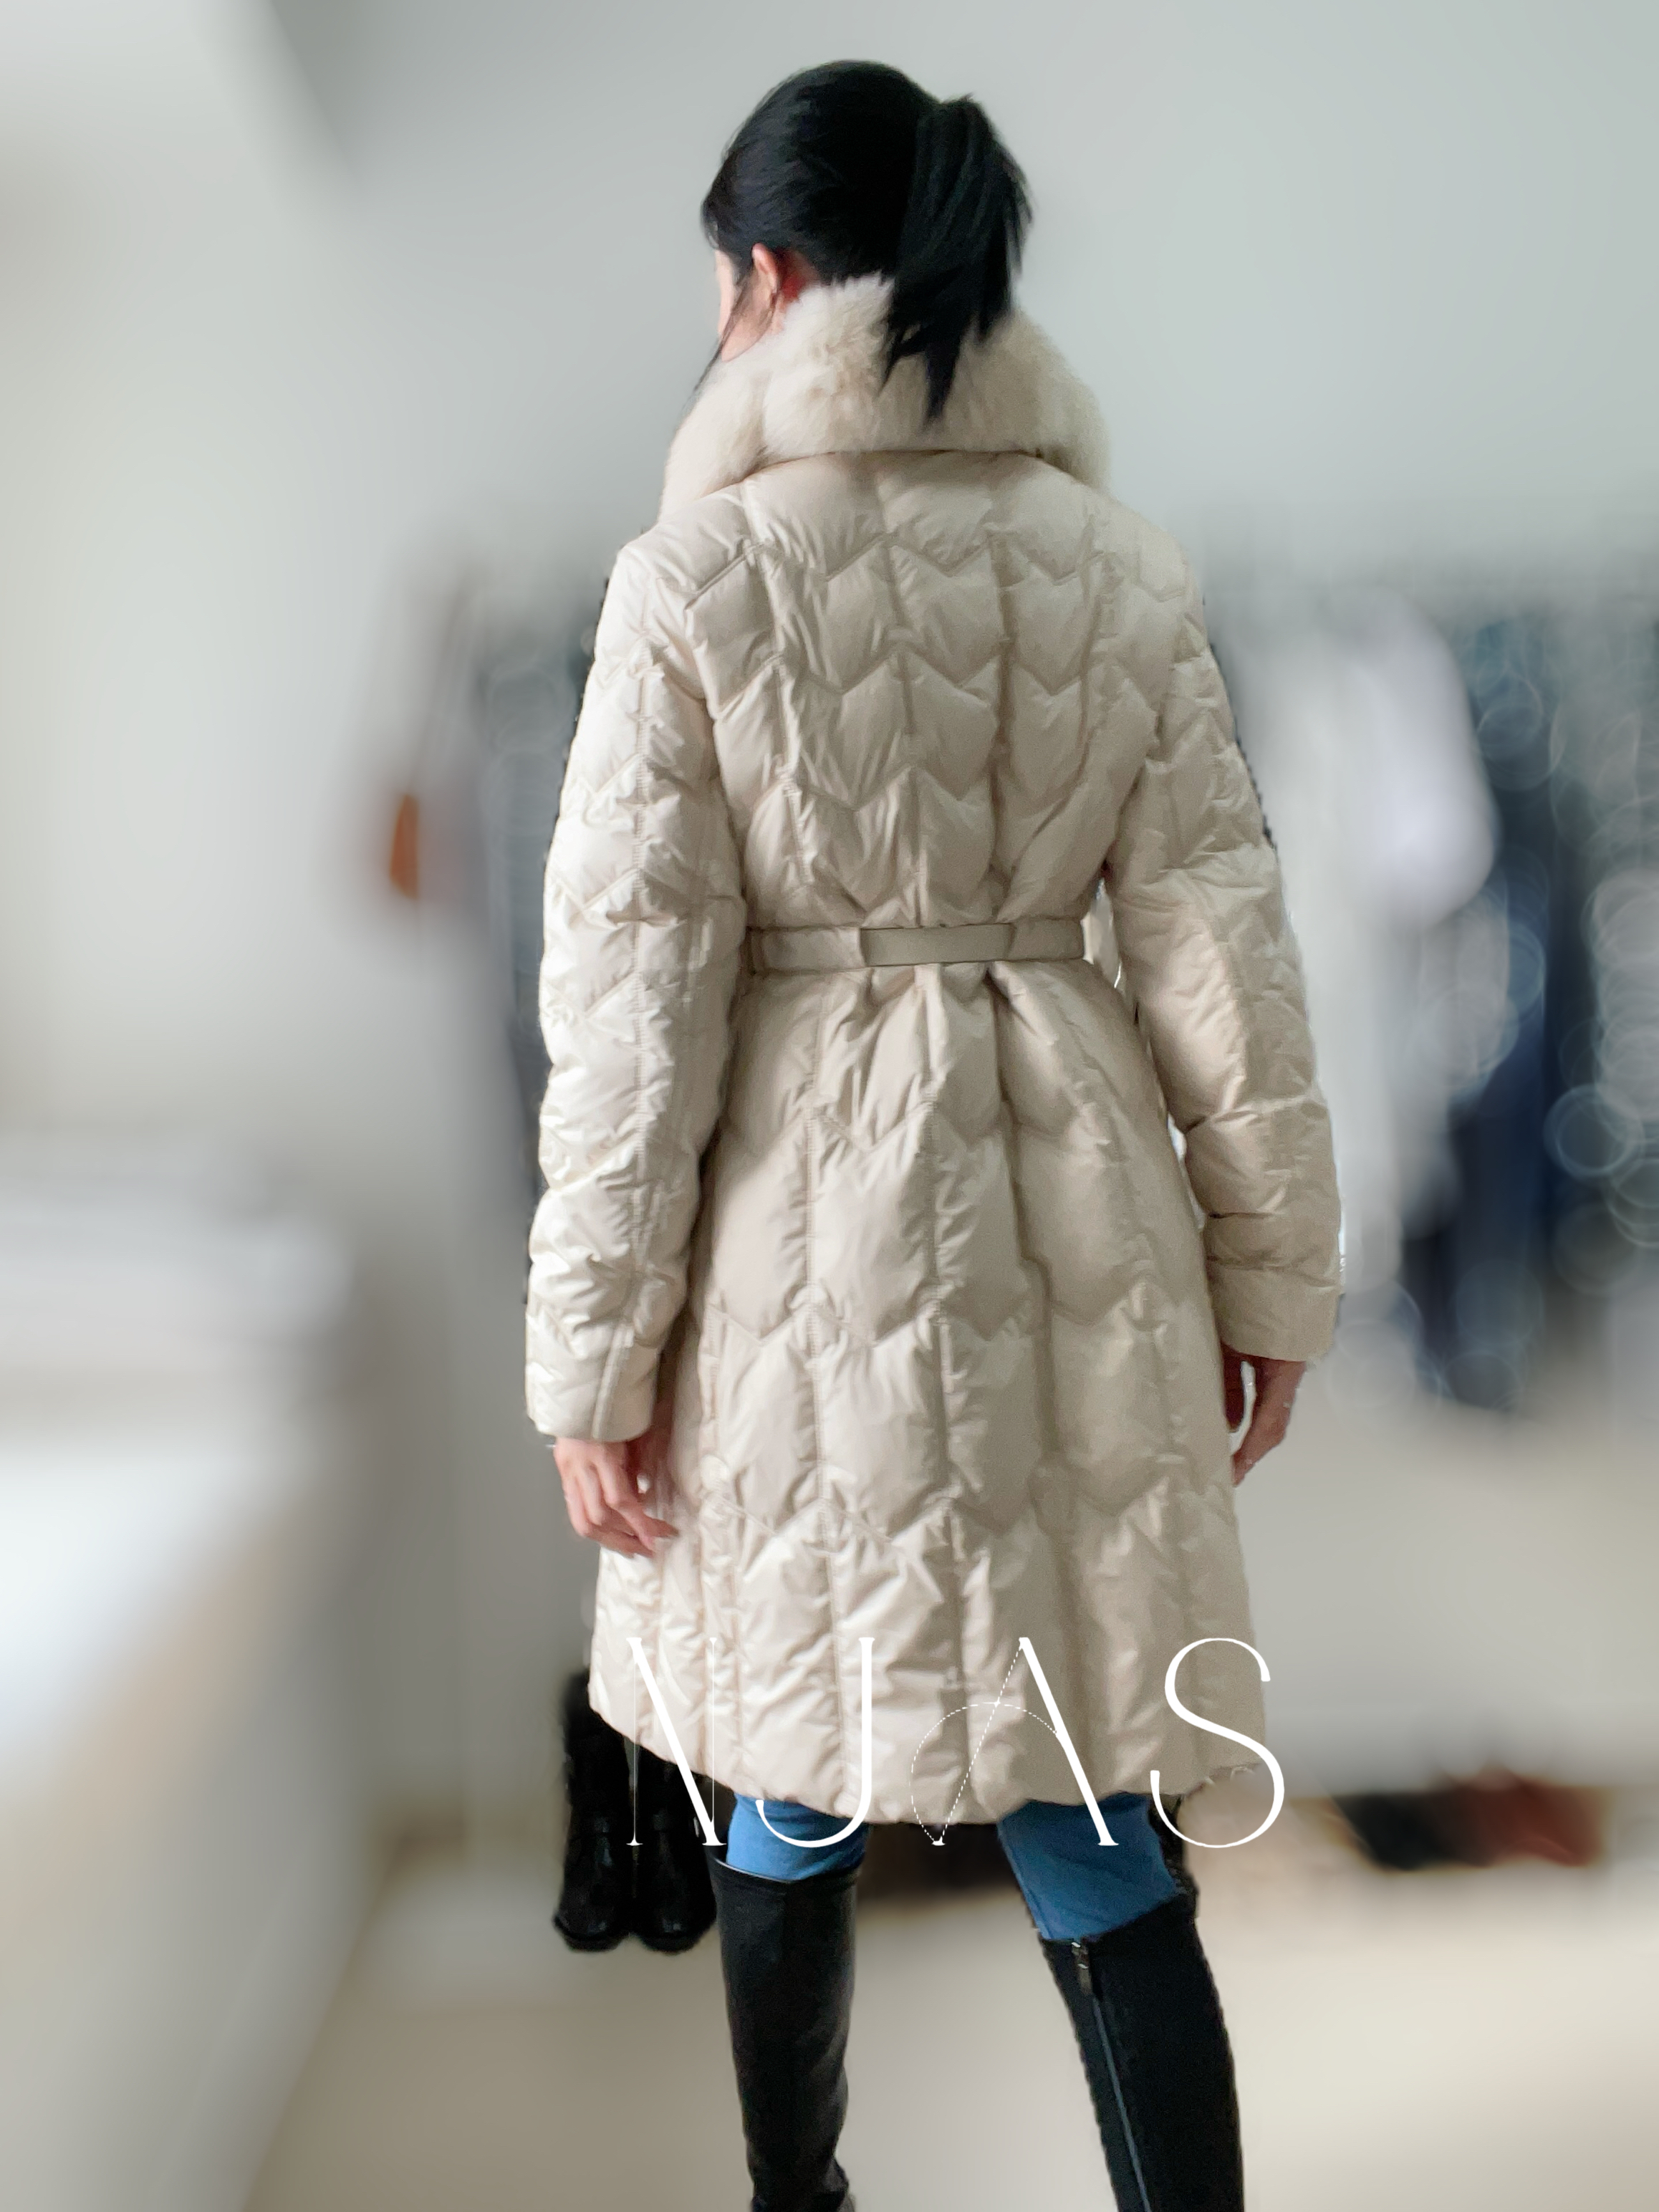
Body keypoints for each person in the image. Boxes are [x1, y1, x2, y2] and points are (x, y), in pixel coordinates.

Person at [526, 59, 1341, 2212]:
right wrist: (1272, 1269)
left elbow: (630, 1012)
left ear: (770, 278)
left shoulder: (691, 580)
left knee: (789, 1776)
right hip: (1075, 1206)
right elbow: (1223, 949)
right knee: (1094, 1806)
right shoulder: (1118, 567)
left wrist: (592, 1359)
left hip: (795, 1250)